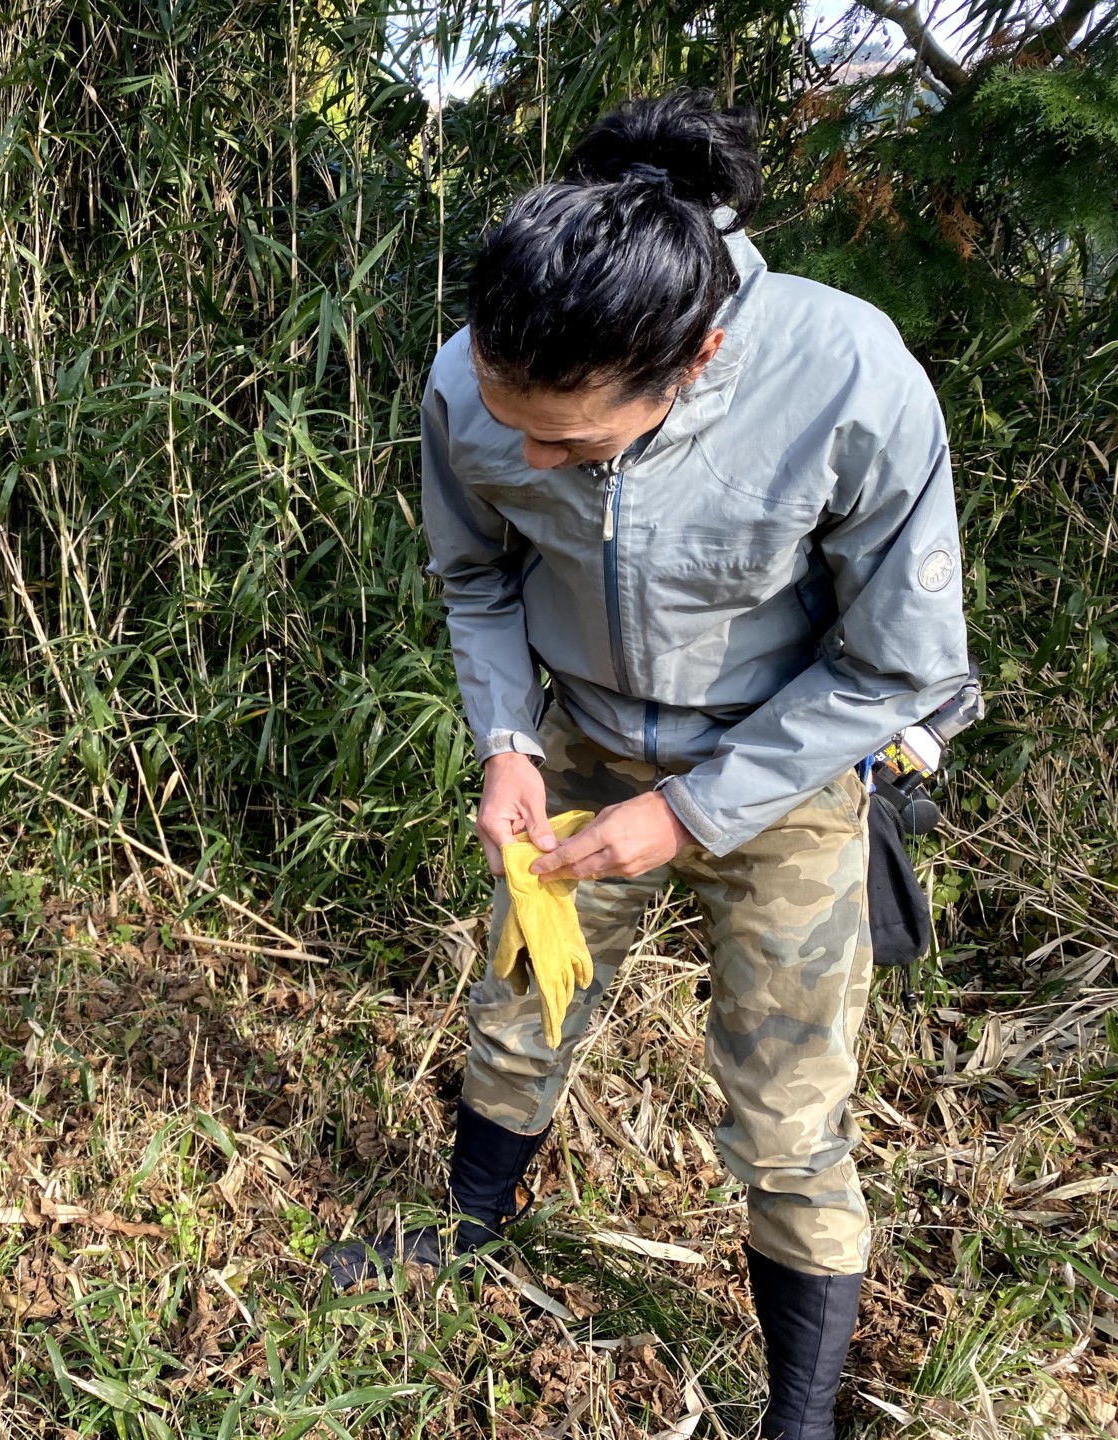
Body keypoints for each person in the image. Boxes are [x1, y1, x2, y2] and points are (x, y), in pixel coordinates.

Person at [322, 90, 971, 1440]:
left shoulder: (849, 381)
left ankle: (800, 1413)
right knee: (519, 999)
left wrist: (690, 811)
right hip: (579, 747)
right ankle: (468, 1226)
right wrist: (507, 741)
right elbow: (476, 577)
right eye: (515, 428)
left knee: (790, 1104)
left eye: (566, 443)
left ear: (695, 359)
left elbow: (899, 667)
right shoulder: (468, 379)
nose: (531, 456)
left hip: (788, 773)